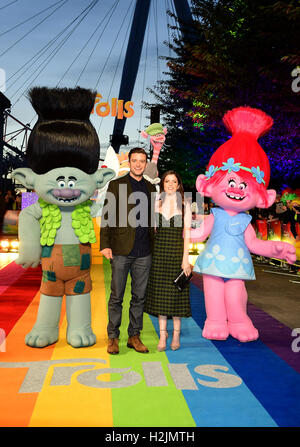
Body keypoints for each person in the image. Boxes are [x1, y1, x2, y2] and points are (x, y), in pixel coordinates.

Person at [100, 147, 156, 355]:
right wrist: (105, 244)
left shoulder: (151, 188)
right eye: (135, 160)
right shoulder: (116, 185)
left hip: (144, 251)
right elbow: (107, 216)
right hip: (121, 250)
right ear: (129, 163)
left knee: (139, 297)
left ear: (146, 163)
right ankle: (113, 337)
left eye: (142, 161)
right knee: (117, 297)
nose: (139, 164)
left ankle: (134, 336)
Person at [144, 170, 192, 351]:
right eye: (167, 181)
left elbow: (187, 235)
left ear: (179, 185)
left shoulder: (185, 205)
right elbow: (152, 233)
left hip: (176, 254)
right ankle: (163, 335)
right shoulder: (155, 205)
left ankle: (176, 335)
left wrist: (185, 260)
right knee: (161, 297)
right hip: (158, 255)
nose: (170, 184)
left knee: (176, 295)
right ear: (162, 184)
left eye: (174, 181)